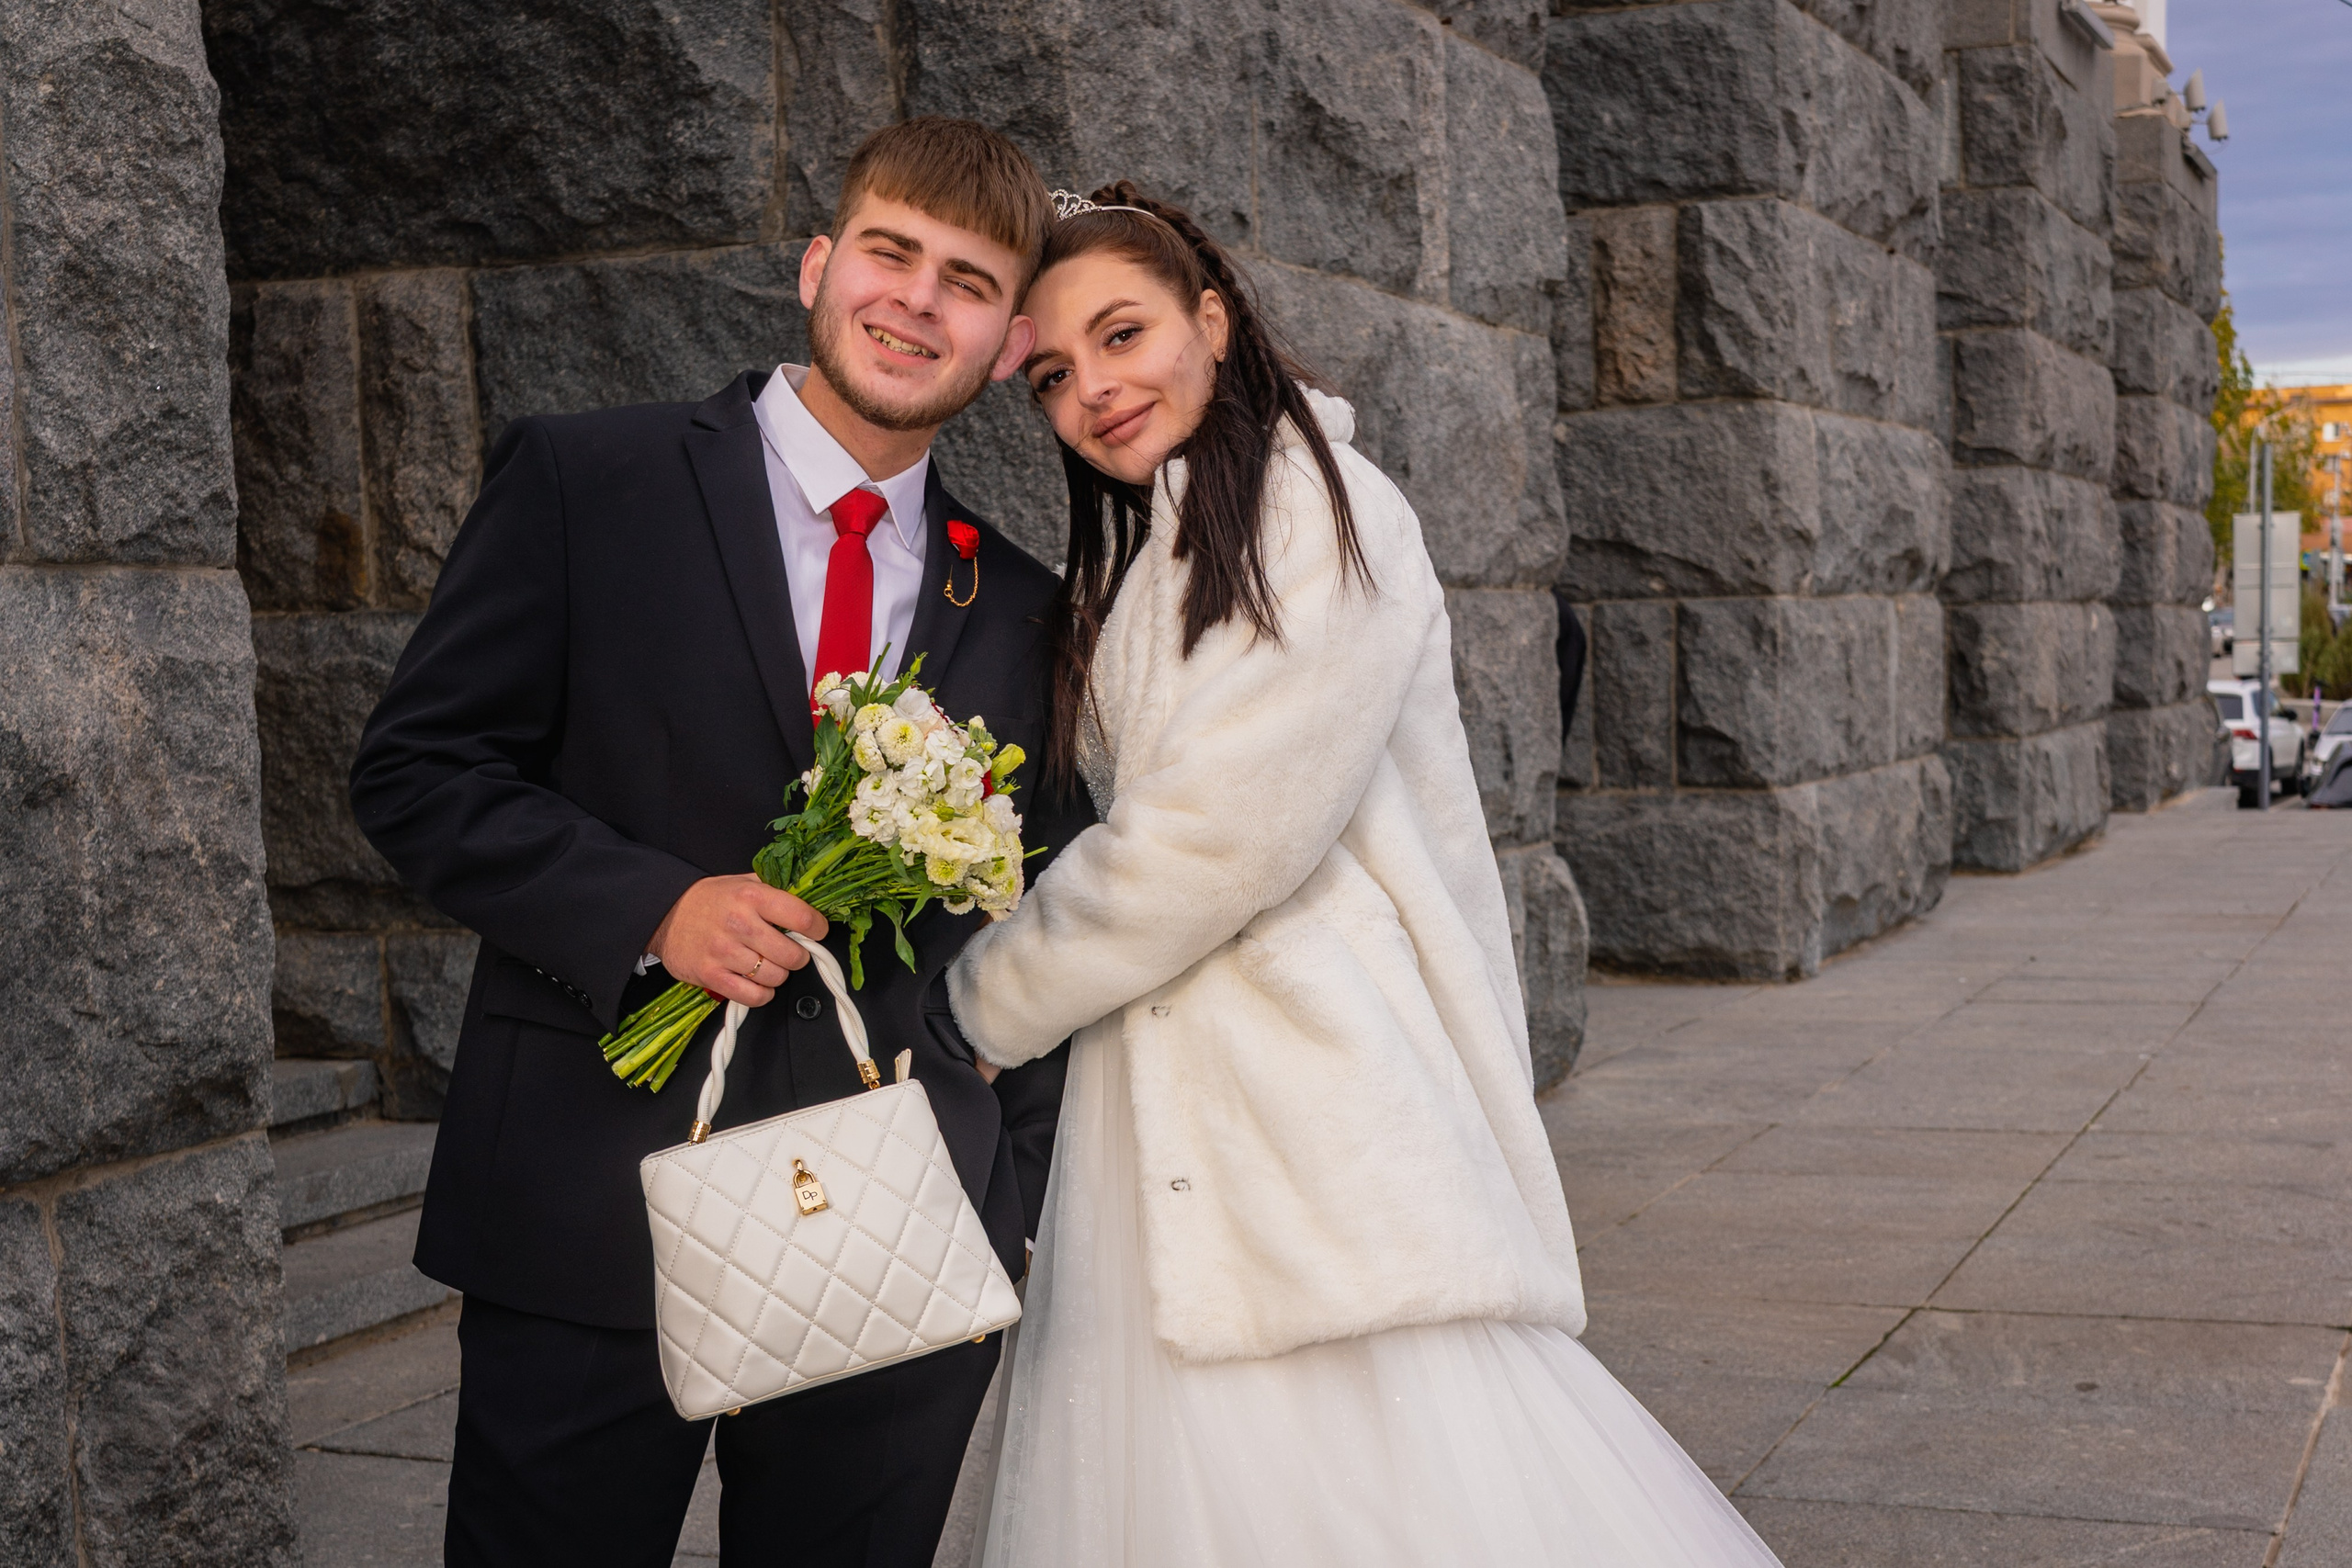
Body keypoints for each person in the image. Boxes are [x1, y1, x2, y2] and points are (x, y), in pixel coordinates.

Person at [945, 184, 1787, 1566]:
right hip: (1163, 1093)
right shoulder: (1156, 544)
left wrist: (980, 1007)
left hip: (1312, 1089)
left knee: (1364, 1486)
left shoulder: (1319, 510)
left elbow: (1217, 838)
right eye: (1050, 374)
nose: (1094, 388)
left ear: (1211, 321)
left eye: (1123, 334)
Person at [348, 118, 1091, 1568]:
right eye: (890, 251)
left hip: (898, 1250)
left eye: (968, 281)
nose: (916, 299)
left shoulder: (1024, 609)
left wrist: (1009, 1198)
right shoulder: (587, 483)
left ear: (1005, 343)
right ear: (821, 264)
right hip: (585, 1211)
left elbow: (1044, 913)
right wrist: (651, 910)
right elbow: (418, 770)